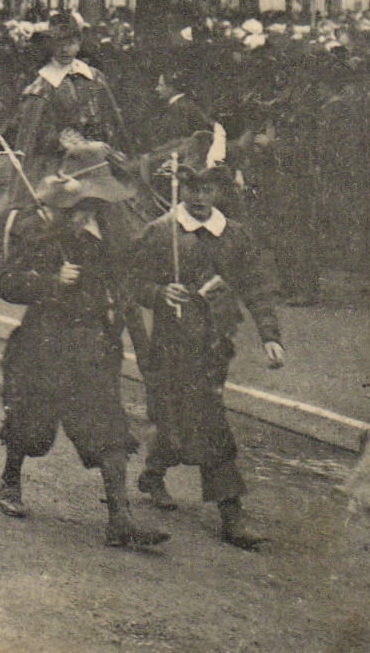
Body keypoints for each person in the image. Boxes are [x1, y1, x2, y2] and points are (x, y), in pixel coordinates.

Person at [0, 143, 170, 550]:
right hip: (45, 344)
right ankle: (10, 482)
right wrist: (51, 281)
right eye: (88, 201)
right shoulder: (37, 231)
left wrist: (133, 343)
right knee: (29, 424)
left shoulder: (110, 236)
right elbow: (6, 283)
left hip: (93, 345)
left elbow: (123, 288)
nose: (93, 209)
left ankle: (120, 518)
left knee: (108, 428)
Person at [126, 162, 285, 550]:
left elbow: (257, 287)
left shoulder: (236, 236)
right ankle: (195, 492)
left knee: (197, 416)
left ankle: (181, 485)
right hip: (170, 345)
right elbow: (132, 282)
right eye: (192, 188)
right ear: (181, 187)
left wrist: (270, 336)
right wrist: (159, 292)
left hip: (216, 345)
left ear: (219, 192)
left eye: (208, 189)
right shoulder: (161, 233)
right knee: (189, 417)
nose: (199, 197)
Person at [11, 11, 129, 167]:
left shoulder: (95, 77)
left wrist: (109, 146)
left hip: (101, 155)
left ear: (79, 43)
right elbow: (34, 131)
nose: (64, 50)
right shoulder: (42, 84)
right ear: (50, 45)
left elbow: (111, 118)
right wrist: (64, 142)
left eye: (70, 43)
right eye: (58, 44)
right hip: (60, 160)